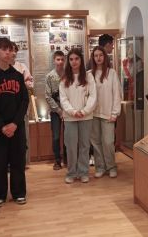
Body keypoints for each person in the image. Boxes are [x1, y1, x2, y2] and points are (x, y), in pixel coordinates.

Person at [0, 38, 29, 206]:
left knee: (18, 161)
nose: (8, 52)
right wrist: (2, 126)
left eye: (10, 49)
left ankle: (18, 193)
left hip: (16, 126)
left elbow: (24, 101)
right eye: (4, 49)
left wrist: (15, 124)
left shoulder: (17, 75)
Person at [59, 49, 96, 184]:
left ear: (81, 60)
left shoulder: (88, 77)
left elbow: (93, 96)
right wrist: (73, 112)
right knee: (71, 146)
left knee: (85, 146)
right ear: (68, 61)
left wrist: (84, 111)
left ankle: (83, 172)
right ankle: (71, 173)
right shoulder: (64, 79)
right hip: (70, 118)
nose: (74, 62)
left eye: (77, 59)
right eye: (71, 59)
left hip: (86, 117)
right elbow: (63, 99)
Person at [90, 46, 121, 178]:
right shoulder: (89, 74)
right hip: (93, 114)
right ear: (93, 58)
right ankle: (100, 167)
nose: (98, 58)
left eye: (101, 55)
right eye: (96, 55)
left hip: (108, 114)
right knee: (96, 142)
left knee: (108, 142)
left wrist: (115, 113)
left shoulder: (111, 73)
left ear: (105, 57)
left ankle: (111, 166)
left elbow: (117, 93)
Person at [45, 50, 67, 170]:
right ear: (54, 60)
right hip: (55, 111)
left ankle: (67, 158)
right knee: (56, 137)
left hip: (68, 110)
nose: (60, 62)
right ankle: (57, 160)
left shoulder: (68, 75)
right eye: (58, 59)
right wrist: (59, 111)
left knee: (68, 136)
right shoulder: (49, 76)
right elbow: (48, 96)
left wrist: (66, 110)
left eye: (62, 59)